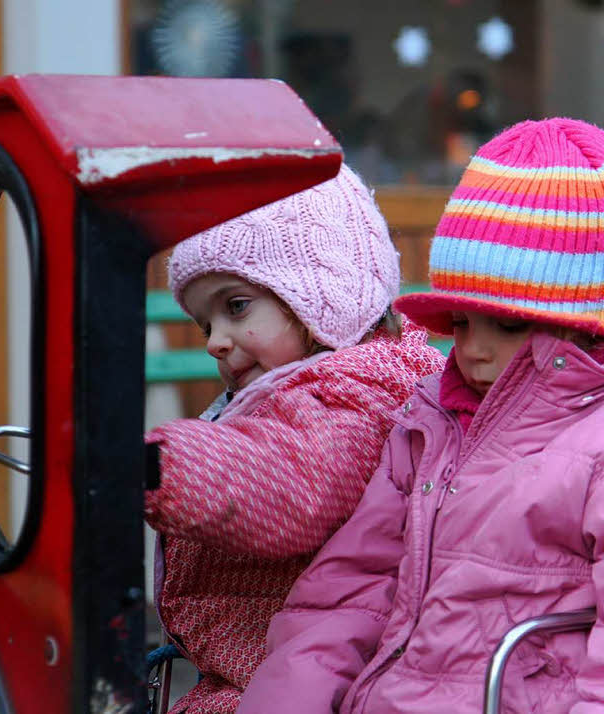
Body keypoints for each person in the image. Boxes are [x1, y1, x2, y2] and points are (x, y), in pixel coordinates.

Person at [239, 118, 604, 713]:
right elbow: (349, 596)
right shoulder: (433, 417)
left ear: (588, 324)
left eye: (507, 324)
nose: (471, 349)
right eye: (462, 321)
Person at [145, 164, 446, 714]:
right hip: (255, 676)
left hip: (298, 690)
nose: (216, 341)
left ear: (324, 297)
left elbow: (291, 479)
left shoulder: (361, 400)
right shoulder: (304, 390)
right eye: (204, 323)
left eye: (236, 307)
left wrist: (158, 467)